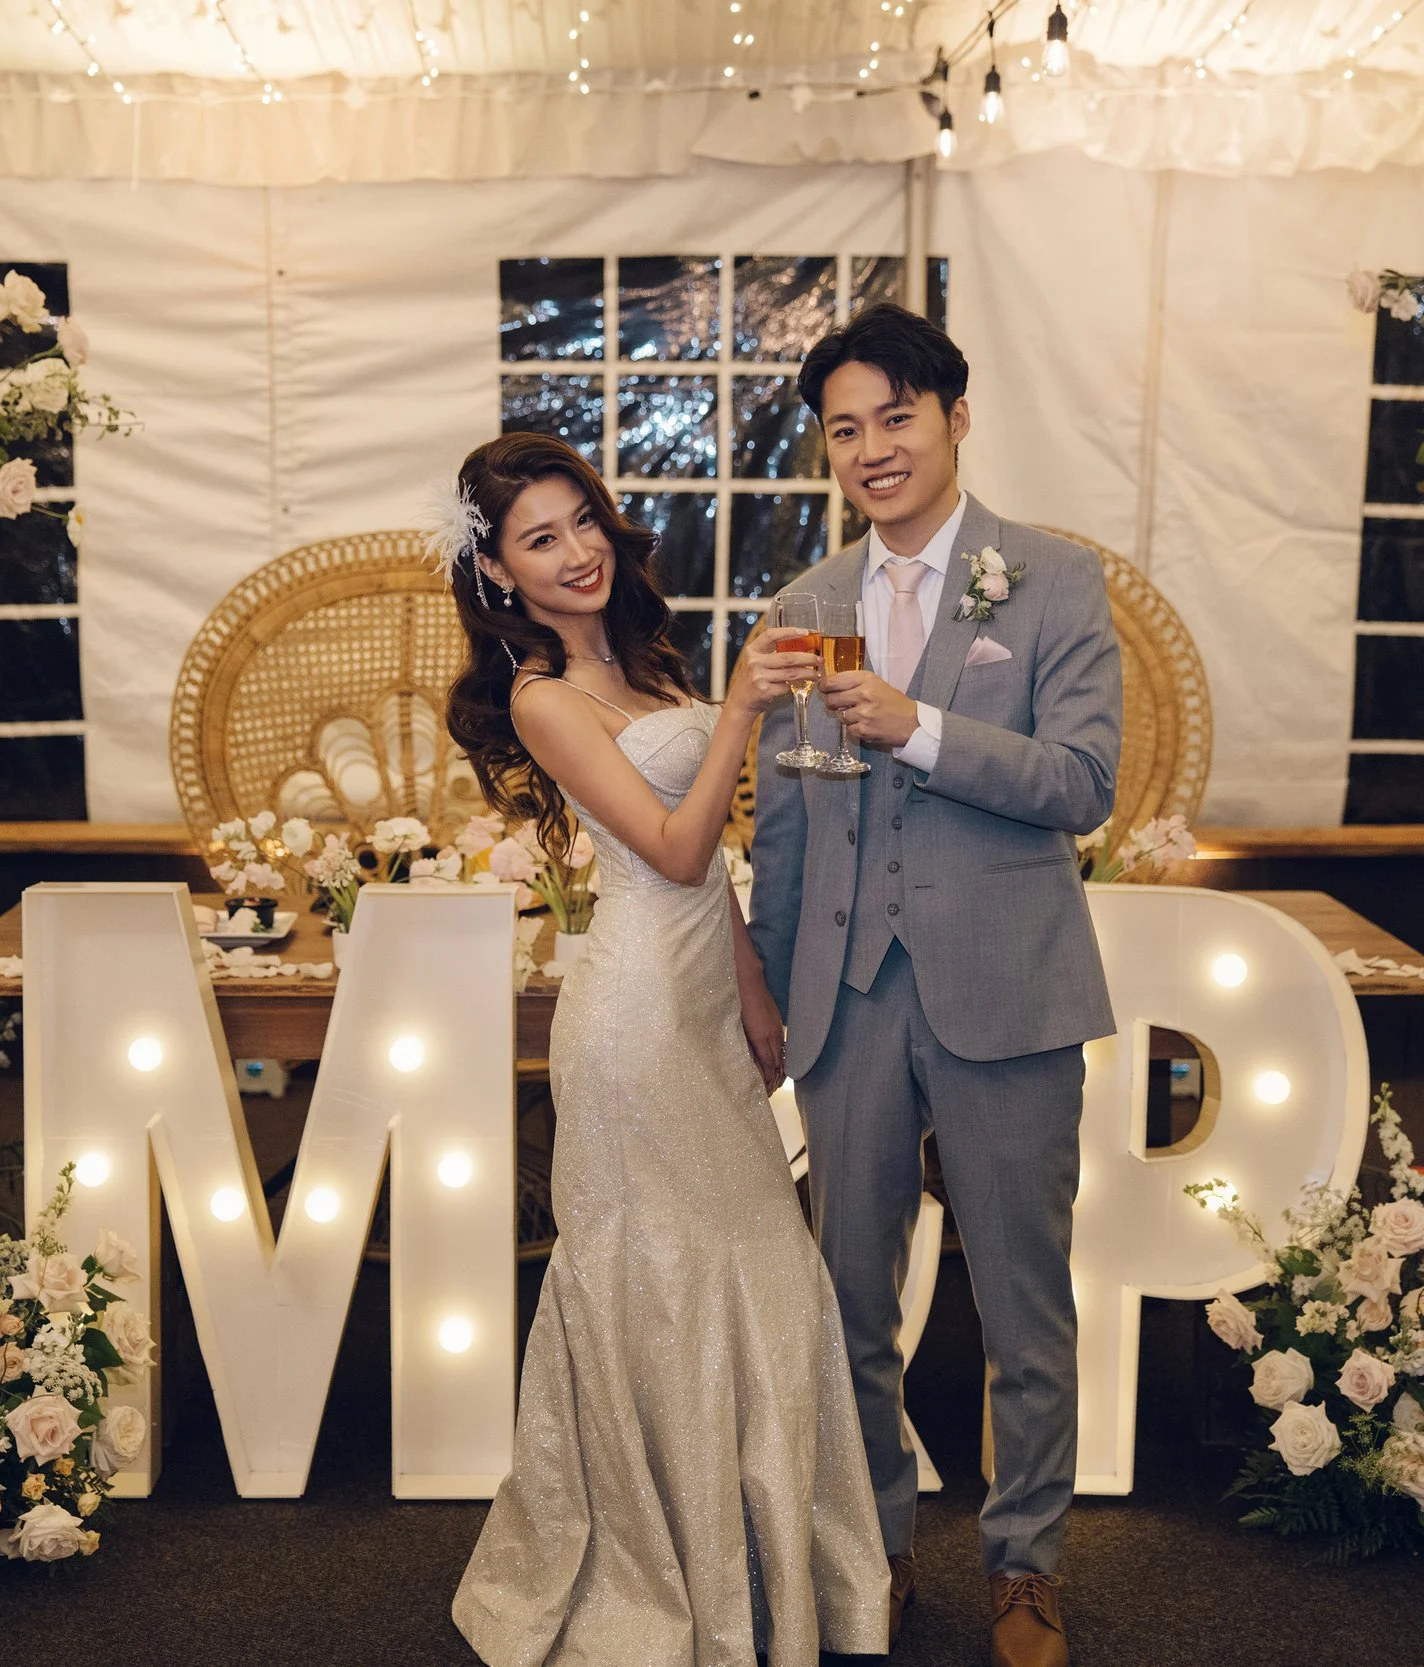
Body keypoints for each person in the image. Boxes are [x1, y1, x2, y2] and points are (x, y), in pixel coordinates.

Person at [442, 432, 890, 1667]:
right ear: (499, 573)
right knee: (661, 1280)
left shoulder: (640, 657)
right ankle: (664, 1577)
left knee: (761, 1268)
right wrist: (744, 707)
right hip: (633, 1016)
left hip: (703, 992)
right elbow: (674, 850)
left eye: (581, 519)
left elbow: (714, 879)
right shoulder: (542, 696)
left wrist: (752, 988)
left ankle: (768, 1572)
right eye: (540, 538)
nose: (577, 550)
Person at [749, 303, 1122, 1667]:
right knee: (846, 1291)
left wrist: (923, 726)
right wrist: (772, 999)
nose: (871, 448)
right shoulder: (803, 608)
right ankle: (876, 1545)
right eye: (844, 429)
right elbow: (785, 819)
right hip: (848, 993)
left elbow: (1085, 785)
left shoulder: (1054, 582)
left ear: (956, 418)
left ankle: (1026, 1561)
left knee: (1024, 1297)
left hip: (1008, 986)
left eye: (895, 416)